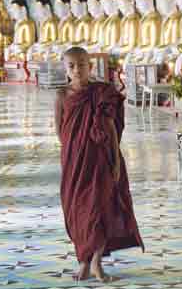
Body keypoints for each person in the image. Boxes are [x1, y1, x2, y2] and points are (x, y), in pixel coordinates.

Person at [54, 47, 144, 282]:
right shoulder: (62, 96)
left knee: (98, 209)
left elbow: (111, 129)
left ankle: (95, 263)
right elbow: (60, 131)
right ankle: (83, 261)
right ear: (65, 69)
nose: (77, 70)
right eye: (71, 65)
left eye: (82, 64)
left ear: (90, 67)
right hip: (74, 162)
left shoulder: (102, 93)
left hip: (100, 159)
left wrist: (114, 160)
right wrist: (72, 150)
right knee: (76, 211)